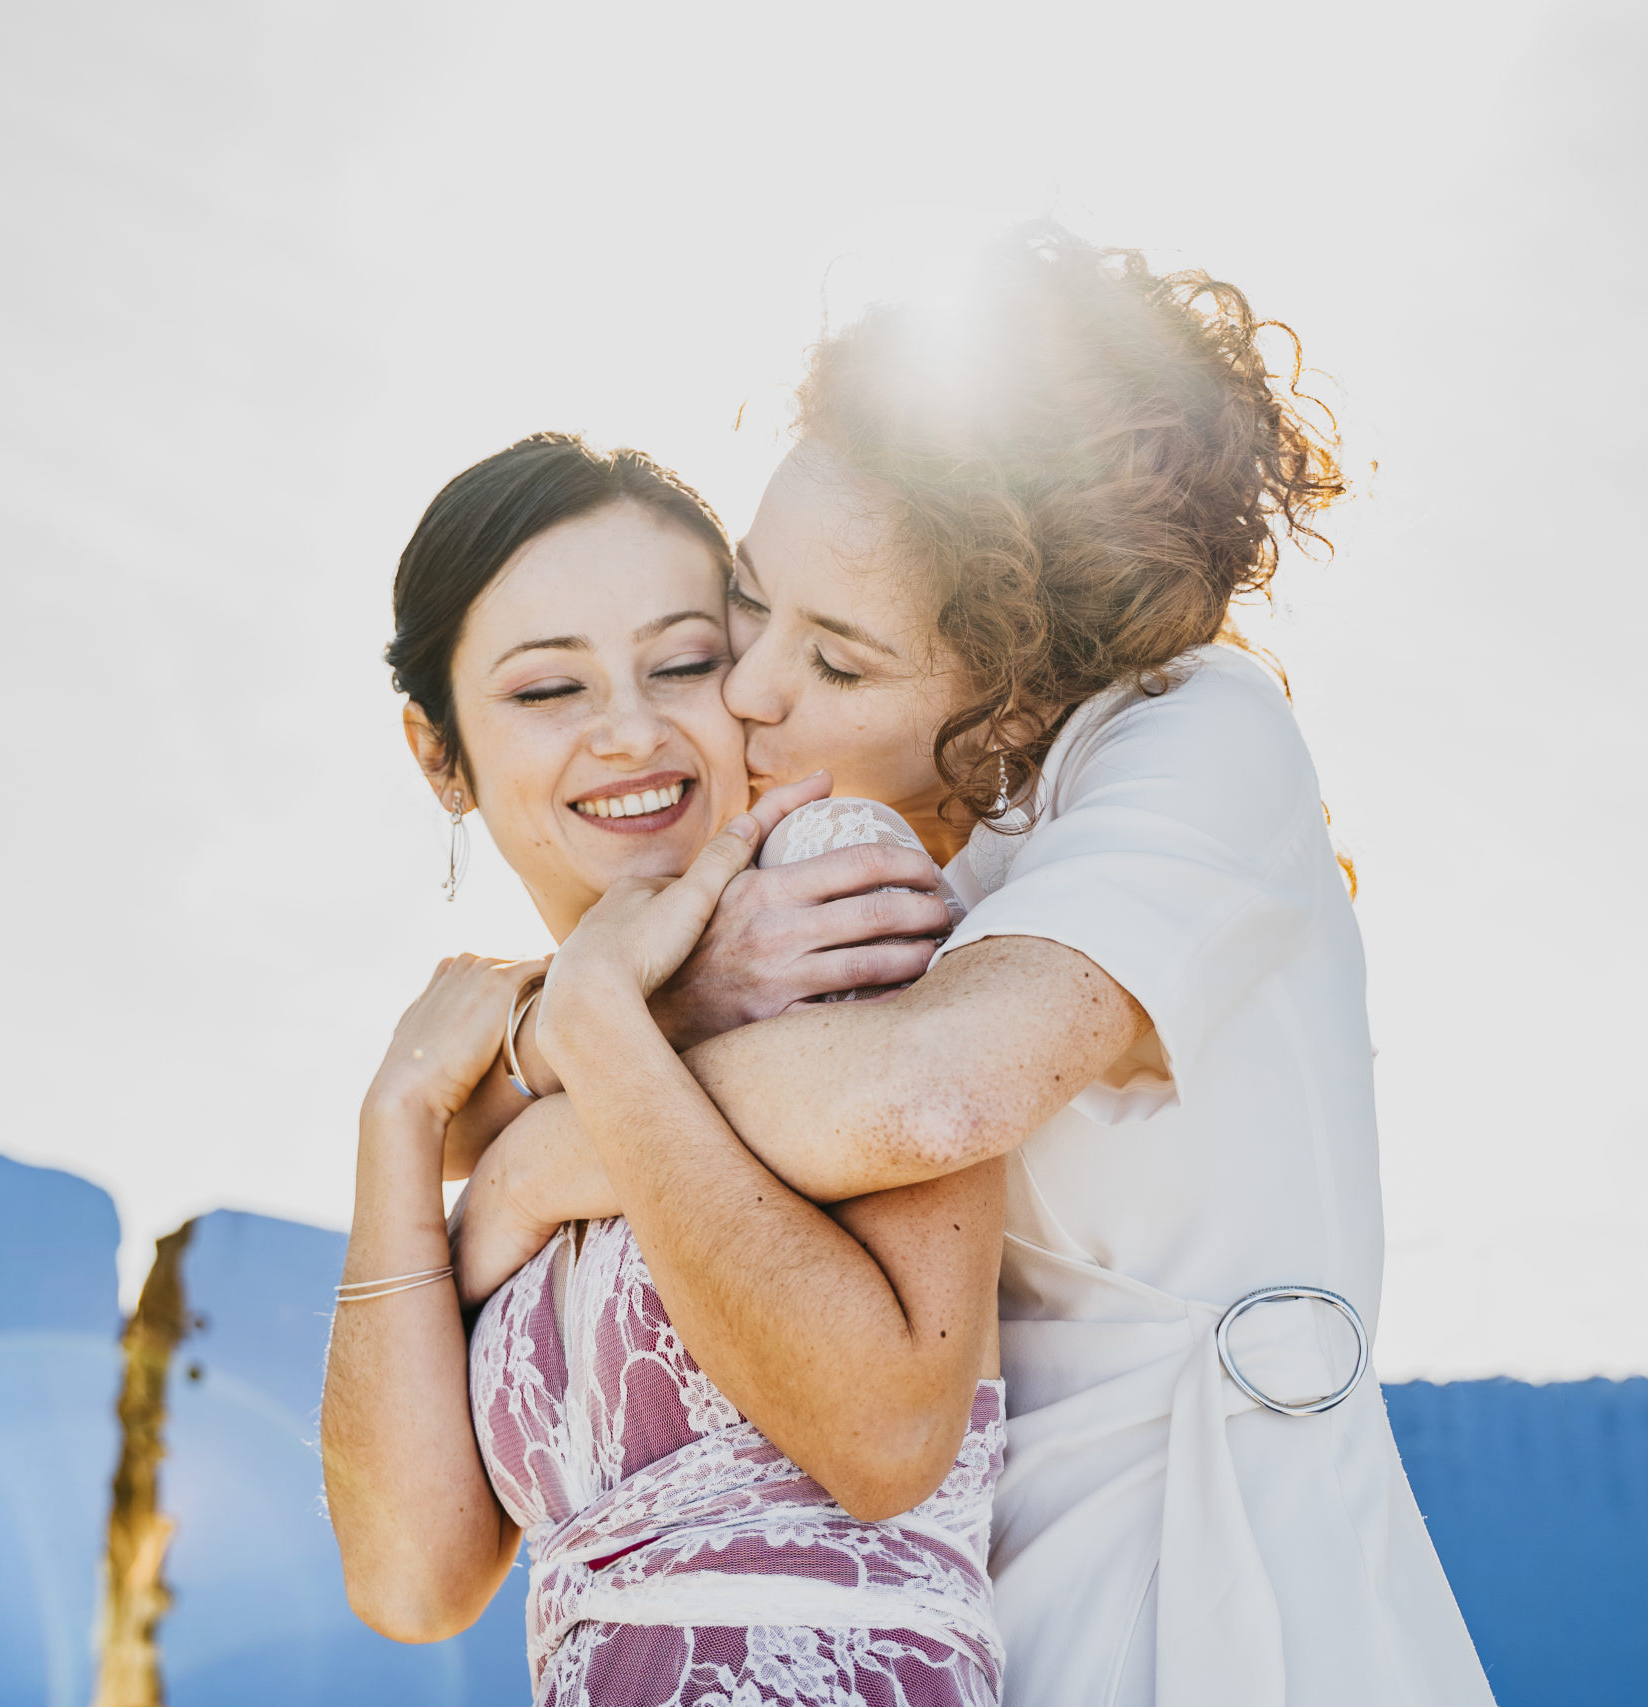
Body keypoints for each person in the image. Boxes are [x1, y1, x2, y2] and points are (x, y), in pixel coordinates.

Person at [458, 227, 1497, 1707]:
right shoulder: (854, 842)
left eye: (840, 659)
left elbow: (930, 1092)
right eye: (755, 597)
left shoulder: (1194, 737)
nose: (751, 687)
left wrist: (550, 1127)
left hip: (1213, 1596)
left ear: (1020, 694)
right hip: (956, 1615)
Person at [319, 432, 1011, 1707]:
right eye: (547, 692)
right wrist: (397, 1117)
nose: (630, 732)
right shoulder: (502, 1069)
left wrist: (591, 1033)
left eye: (684, 662)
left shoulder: (831, 888)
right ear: (438, 753)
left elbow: (889, 1438)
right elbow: (413, 1580)